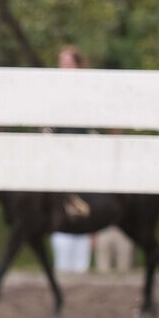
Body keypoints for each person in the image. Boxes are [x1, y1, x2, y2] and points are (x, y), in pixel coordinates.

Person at [50, 44, 94, 273]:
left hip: (80, 156)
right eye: (61, 63)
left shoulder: (86, 95)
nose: (64, 68)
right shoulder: (52, 96)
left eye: (68, 63)